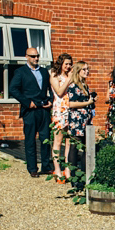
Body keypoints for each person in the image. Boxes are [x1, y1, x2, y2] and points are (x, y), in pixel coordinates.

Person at [8, 47, 53, 177]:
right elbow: (13, 89)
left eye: (37, 56)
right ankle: (32, 168)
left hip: (43, 110)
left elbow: (51, 89)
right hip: (30, 110)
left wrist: (50, 100)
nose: (36, 58)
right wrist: (27, 102)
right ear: (27, 57)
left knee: (45, 138)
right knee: (30, 140)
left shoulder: (44, 72)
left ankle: (45, 165)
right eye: (33, 56)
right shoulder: (20, 72)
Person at [66, 61, 97, 184]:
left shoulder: (85, 86)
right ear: (78, 71)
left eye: (87, 69)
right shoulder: (73, 86)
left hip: (86, 120)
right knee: (74, 147)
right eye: (84, 69)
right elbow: (71, 104)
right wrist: (87, 103)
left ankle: (84, 175)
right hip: (77, 120)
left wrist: (91, 101)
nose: (87, 71)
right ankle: (74, 177)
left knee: (86, 147)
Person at [50, 53, 74, 182]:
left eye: (70, 64)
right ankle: (57, 169)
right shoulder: (55, 76)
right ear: (61, 64)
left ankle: (68, 169)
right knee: (58, 141)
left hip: (71, 111)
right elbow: (59, 92)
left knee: (69, 142)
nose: (68, 66)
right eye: (66, 64)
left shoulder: (71, 76)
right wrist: (69, 79)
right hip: (59, 111)